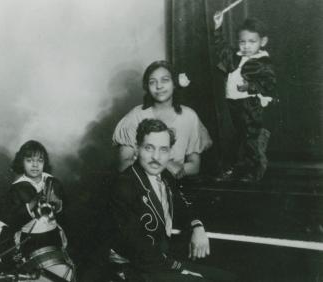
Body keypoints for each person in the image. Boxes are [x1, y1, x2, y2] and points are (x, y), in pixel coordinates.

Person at [109, 119, 236, 281]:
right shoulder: (123, 186)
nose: (156, 157)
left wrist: (197, 225)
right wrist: (180, 270)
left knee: (230, 278)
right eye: (149, 148)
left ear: (170, 152)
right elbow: (140, 251)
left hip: (159, 260)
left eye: (163, 149)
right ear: (137, 147)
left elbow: (181, 205)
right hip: (134, 269)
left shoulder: (165, 176)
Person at [113, 60, 212, 178]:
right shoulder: (135, 116)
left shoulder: (189, 116)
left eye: (165, 80)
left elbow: (194, 166)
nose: (159, 86)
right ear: (147, 87)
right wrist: (166, 165)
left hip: (176, 185)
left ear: (174, 83)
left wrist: (175, 169)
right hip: (142, 184)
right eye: (152, 82)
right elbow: (123, 164)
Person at [213, 13, 276, 182]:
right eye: (242, 41)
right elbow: (222, 48)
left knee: (250, 137)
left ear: (262, 42)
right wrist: (218, 27)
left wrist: (250, 86)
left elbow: (269, 83)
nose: (246, 46)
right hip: (232, 103)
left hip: (250, 104)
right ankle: (232, 169)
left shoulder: (263, 62)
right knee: (233, 136)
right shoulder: (236, 55)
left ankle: (254, 171)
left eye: (252, 42)